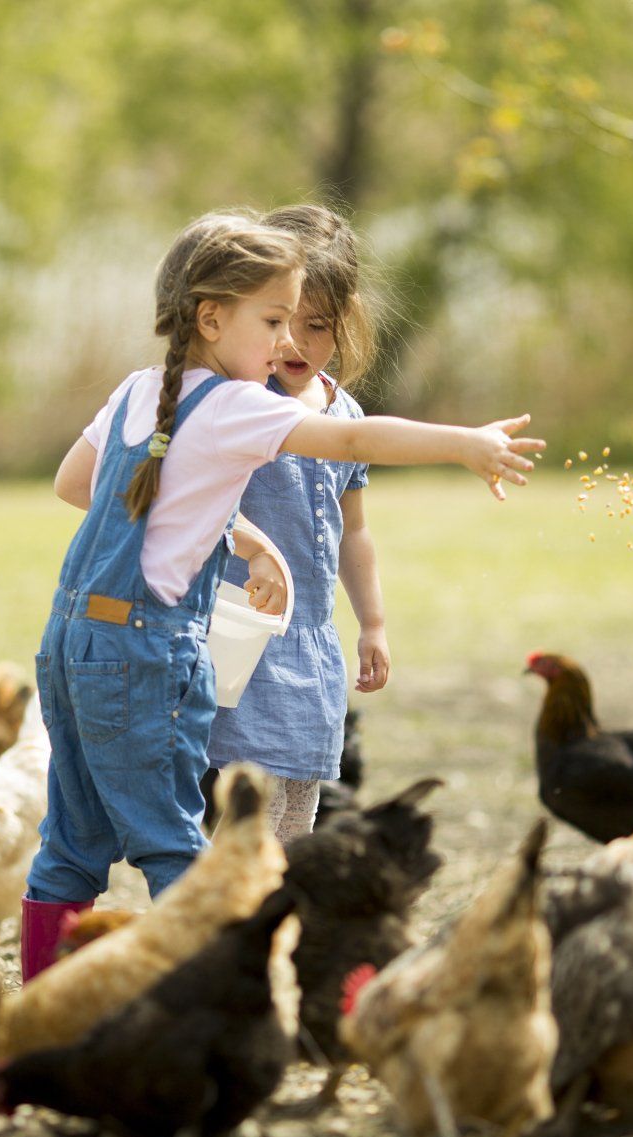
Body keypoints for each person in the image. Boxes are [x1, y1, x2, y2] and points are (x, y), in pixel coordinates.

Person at [20, 208, 541, 981]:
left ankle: (37, 1020)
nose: (283, 342)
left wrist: (228, 529)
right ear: (211, 317)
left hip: (70, 646)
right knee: (182, 852)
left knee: (69, 847)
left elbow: (79, 485)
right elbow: (356, 441)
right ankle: (202, 1012)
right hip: (142, 653)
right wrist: (464, 444)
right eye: (271, 321)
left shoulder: (140, 390)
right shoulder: (236, 405)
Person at [205, 204, 386, 844]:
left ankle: (276, 914)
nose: (297, 345)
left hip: (312, 642)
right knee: (242, 807)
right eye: (280, 323)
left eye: (319, 327)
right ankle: (225, 914)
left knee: (299, 810)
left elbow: (354, 531)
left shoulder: (346, 411)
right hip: (241, 629)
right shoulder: (240, 404)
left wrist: (373, 623)